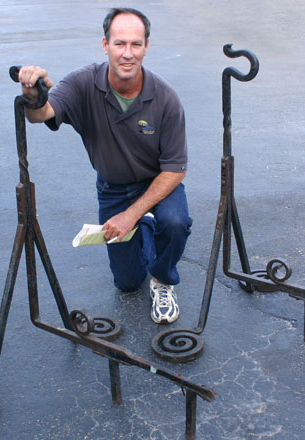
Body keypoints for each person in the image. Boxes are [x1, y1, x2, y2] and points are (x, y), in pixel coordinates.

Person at [17, 8, 191, 324]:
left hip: (157, 184)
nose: (128, 53)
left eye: (136, 44)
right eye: (119, 43)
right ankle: (146, 226)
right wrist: (33, 96)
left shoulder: (166, 99)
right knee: (127, 283)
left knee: (175, 222)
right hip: (114, 189)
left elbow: (175, 170)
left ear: (146, 47)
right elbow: (41, 114)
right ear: (105, 45)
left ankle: (163, 279)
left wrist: (130, 215)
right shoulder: (83, 83)